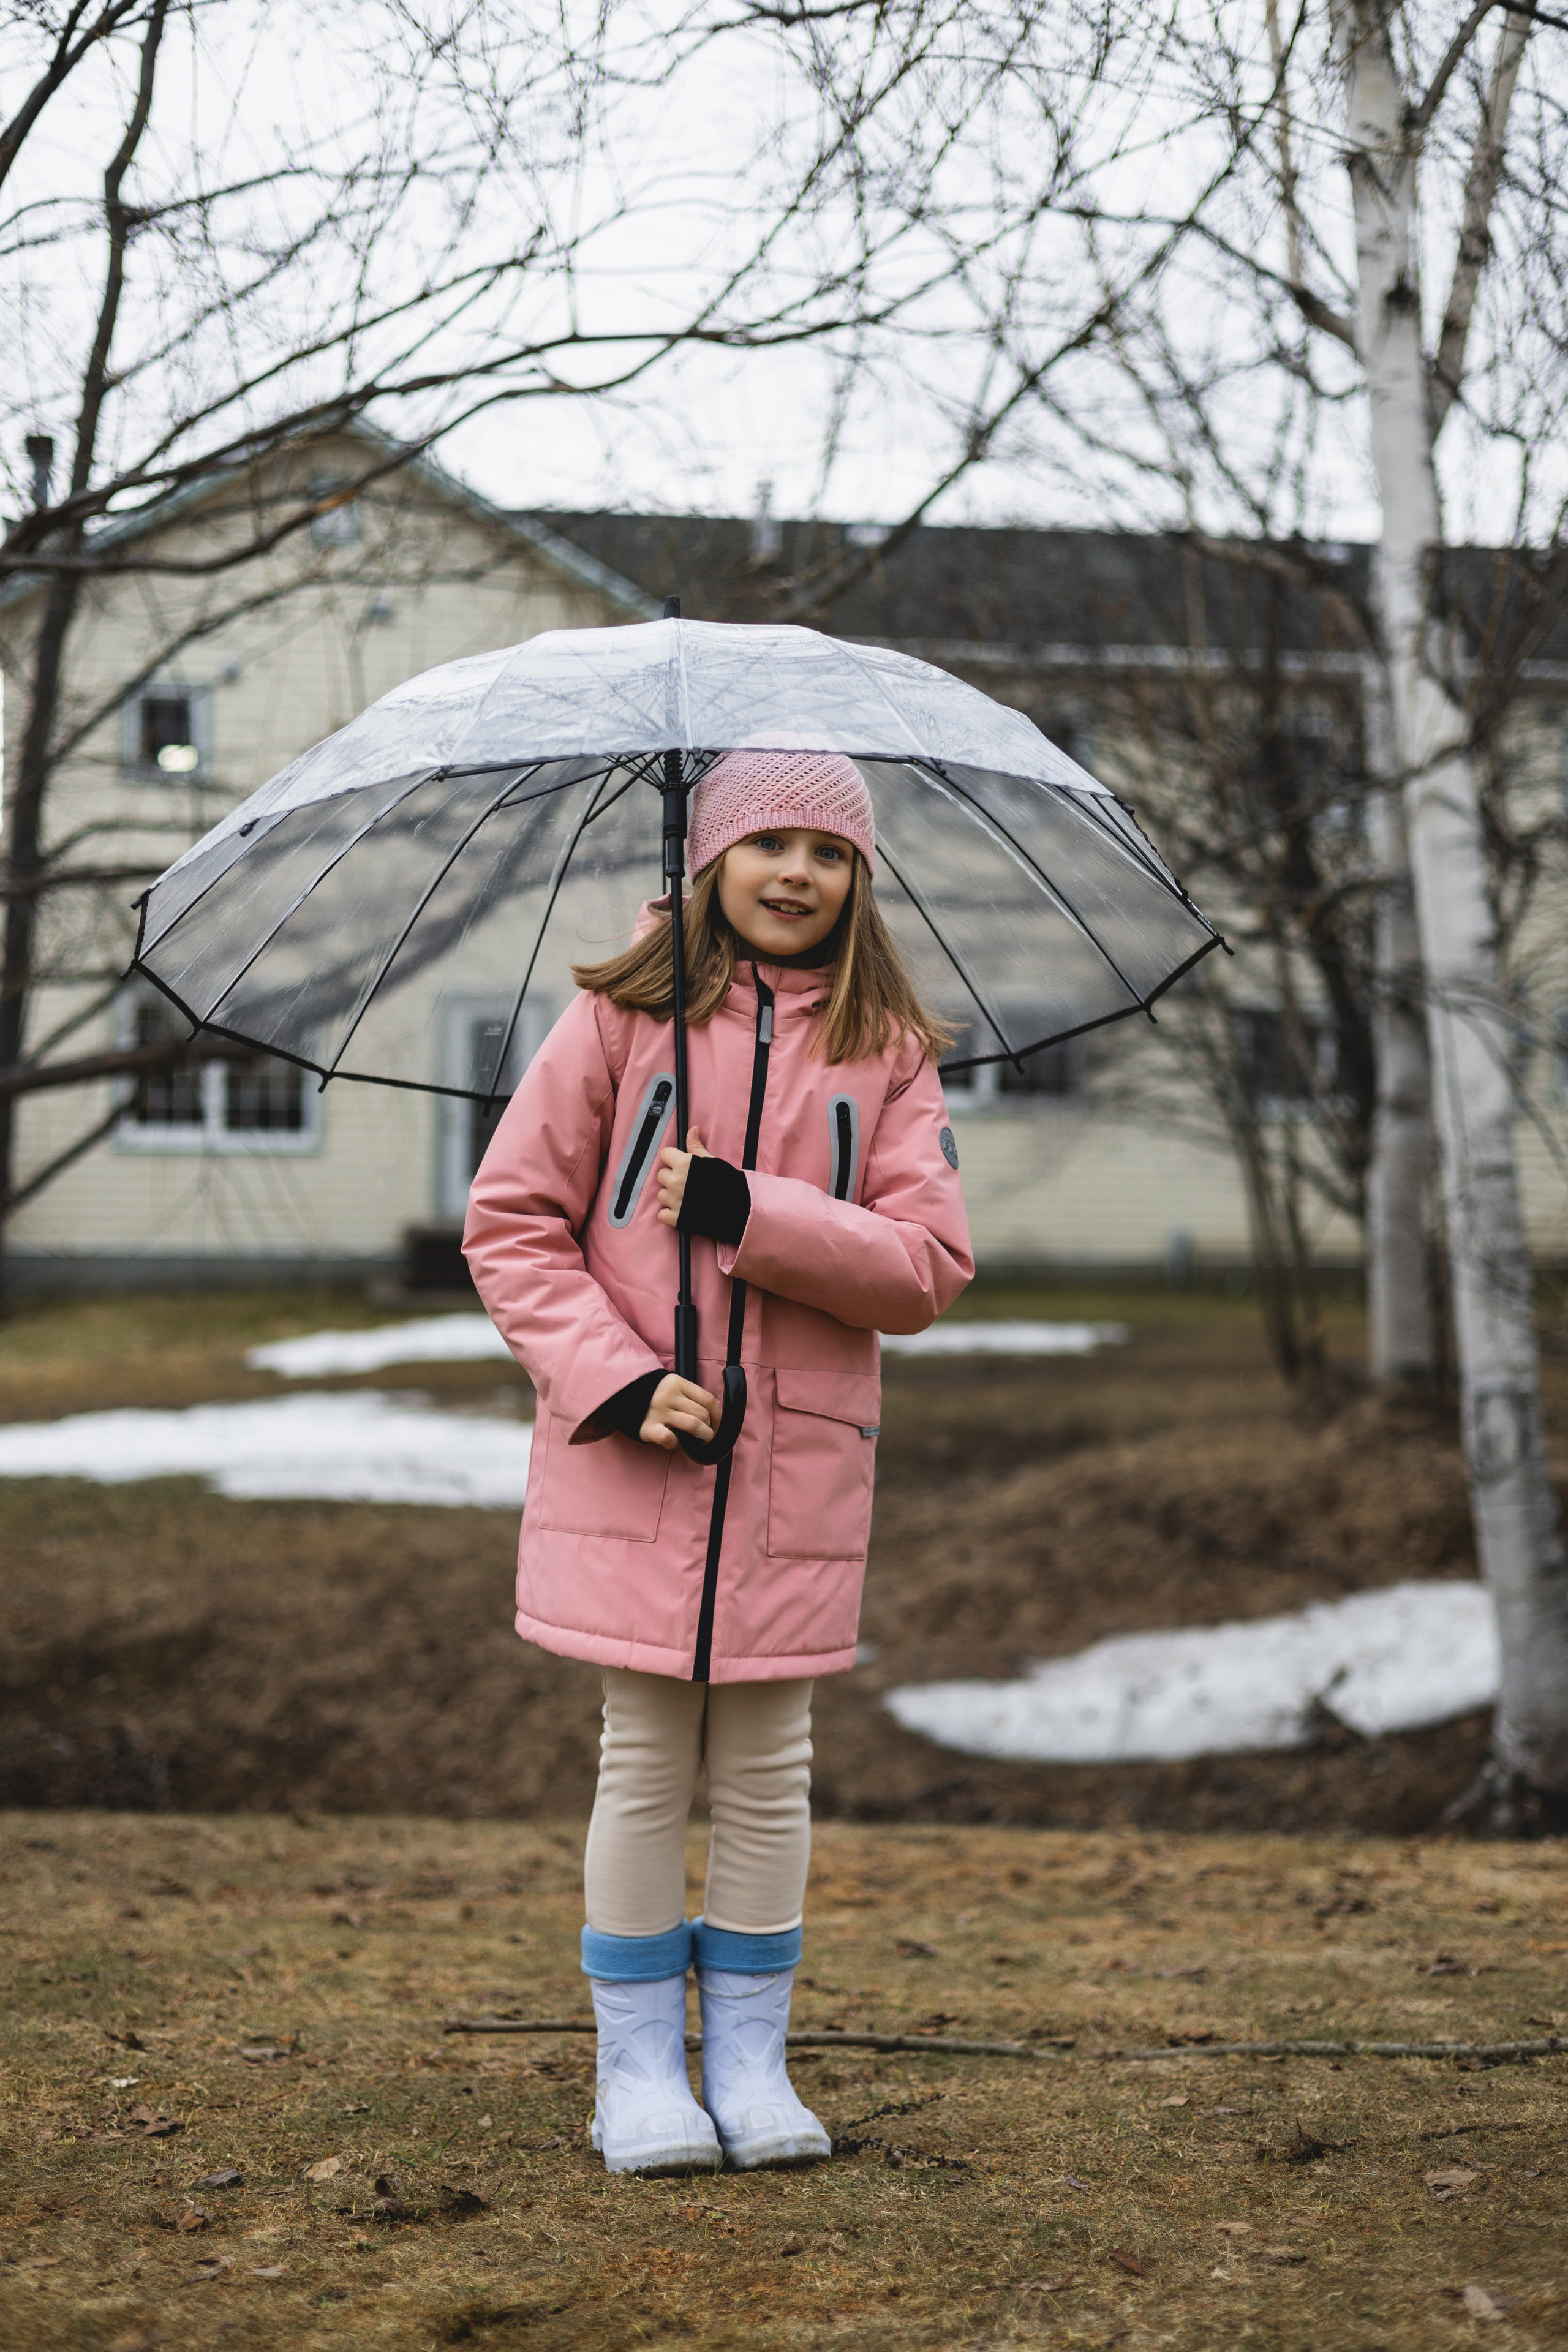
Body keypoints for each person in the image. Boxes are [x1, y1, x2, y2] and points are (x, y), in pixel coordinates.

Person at [463, 748, 973, 2176]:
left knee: (766, 1768)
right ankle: (637, 2073)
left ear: (858, 880)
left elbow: (925, 1267)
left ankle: (748, 2061)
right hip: (635, 1457)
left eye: (828, 849)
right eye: (769, 843)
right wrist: (619, 1380)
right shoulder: (621, 1020)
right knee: (640, 1763)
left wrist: (758, 1208)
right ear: (712, 863)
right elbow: (511, 1226)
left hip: (790, 1478)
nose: (795, 872)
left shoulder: (887, 1051)